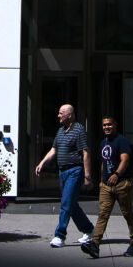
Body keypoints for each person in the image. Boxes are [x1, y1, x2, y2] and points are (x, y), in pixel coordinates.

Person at [32, 103, 92, 247]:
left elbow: (85, 152)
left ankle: (60, 236)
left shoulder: (78, 130)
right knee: (71, 204)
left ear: (69, 115)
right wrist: (42, 163)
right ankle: (89, 230)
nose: (58, 115)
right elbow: (53, 150)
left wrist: (87, 176)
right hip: (62, 172)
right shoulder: (60, 131)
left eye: (61, 113)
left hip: (74, 171)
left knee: (66, 203)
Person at [81, 115, 133, 258]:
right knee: (103, 214)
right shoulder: (103, 143)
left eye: (109, 124)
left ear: (115, 125)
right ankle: (95, 244)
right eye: (104, 125)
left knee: (128, 214)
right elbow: (103, 162)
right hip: (107, 185)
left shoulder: (122, 141)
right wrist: (103, 180)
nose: (106, 127)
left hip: (122, 184)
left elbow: (125, 159)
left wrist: (117, 174)